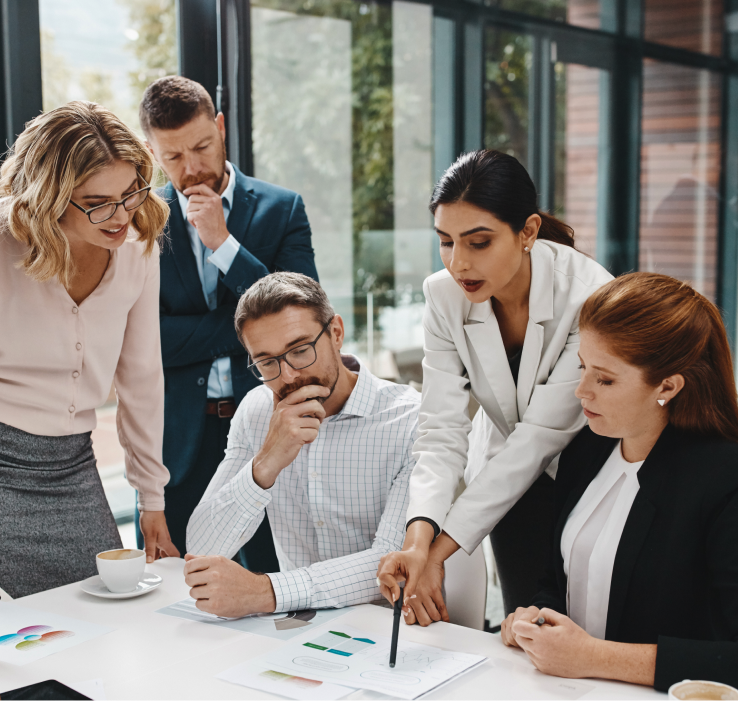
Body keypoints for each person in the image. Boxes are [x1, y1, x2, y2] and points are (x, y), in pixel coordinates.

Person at [0, 102, 179, 599]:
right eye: (97, 201)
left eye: (130, 193)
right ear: (49, 197)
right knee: (3, 632)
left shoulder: (139, 244)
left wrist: (151, 496)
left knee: (102, 615)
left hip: (72, 465)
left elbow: (141, 376)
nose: (120, 216)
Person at [500, 273, 738, 700]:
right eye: (582, 367)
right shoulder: (587, 450)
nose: (581, 391)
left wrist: (593, 657)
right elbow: (560, 578)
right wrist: (537, 616)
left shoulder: (734, 484)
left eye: (605, 379)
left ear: (668, 386)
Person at [378, 150, 613, 625]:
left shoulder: (588, 293)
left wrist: (439, 554)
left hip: (592, 472)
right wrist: (418, 539)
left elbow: (540, 436)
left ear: (527, 231)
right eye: (445, 242)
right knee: (523, 621)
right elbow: (441, 429)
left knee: (588, 627)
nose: (458, 262)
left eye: (478, 242)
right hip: (506, 479)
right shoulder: (443, 295)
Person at [139, 76, 319, 566]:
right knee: (177, 586)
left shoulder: (282, 210)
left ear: (220, 128)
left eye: (201, 146)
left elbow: (300, 314)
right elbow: (143, 341)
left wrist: (224, 245)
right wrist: (242, 333)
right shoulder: (141, 221)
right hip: (179, 440)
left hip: (267, 425)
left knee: (274, 575)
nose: (192, 168)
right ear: (153, 153)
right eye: (174, 157)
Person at [183, 273, 419, 616]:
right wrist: (265, 463)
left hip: (390, 625)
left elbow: (391, 564)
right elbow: (203, 548)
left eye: (300, 350)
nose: (288, 375)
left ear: (336, 333)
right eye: (267, 362)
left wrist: (266, 592)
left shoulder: (410, 420)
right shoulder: (257, 409)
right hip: (298, 630)